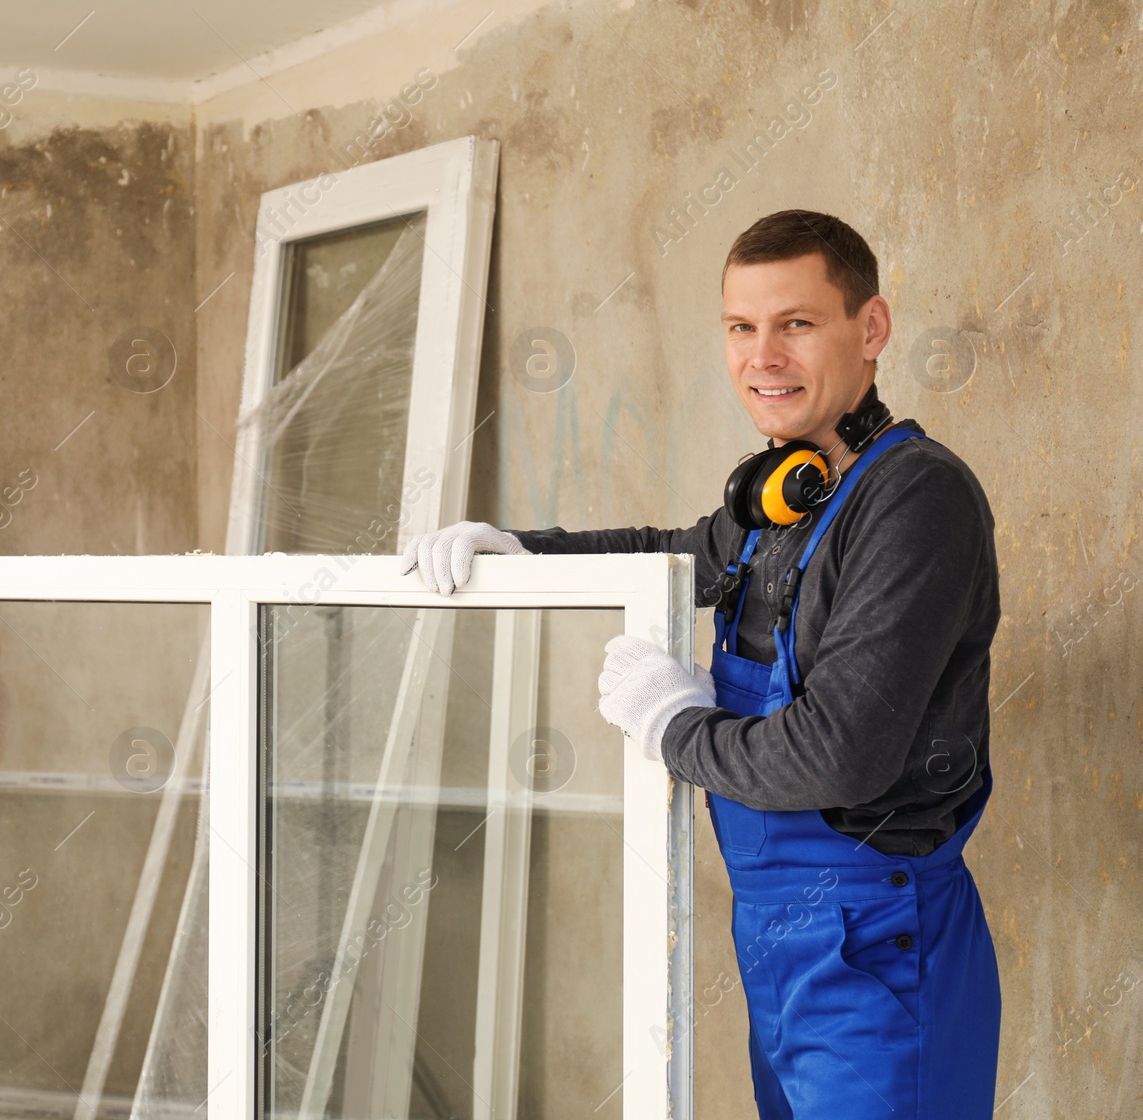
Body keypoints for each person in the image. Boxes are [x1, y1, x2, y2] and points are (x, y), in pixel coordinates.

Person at [404, 210, 1001, 1119]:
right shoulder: (790, 492)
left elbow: (838, 755)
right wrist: (517, 549)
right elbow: (676, 553)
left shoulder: (914, 501)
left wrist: (675, 726)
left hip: (880, 947)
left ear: (870, 328)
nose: (763, 355)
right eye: (740, 327)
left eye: (796, 324)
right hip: (782, 938)